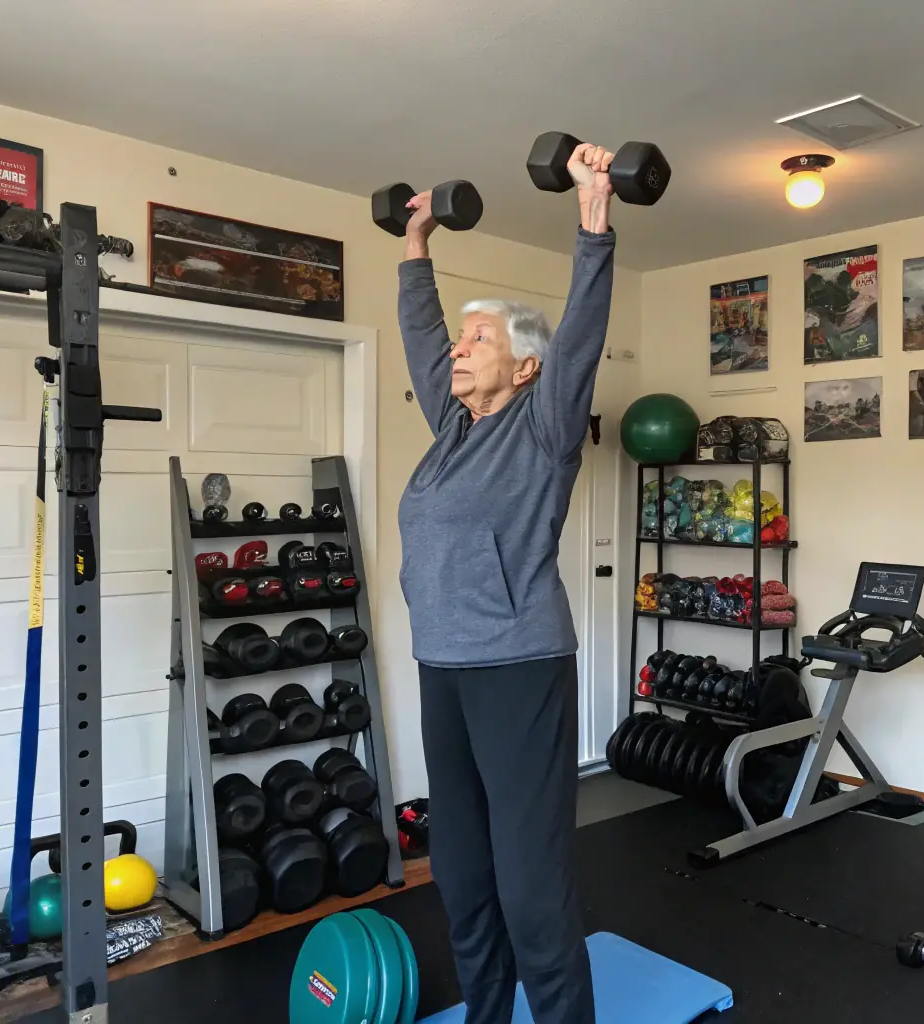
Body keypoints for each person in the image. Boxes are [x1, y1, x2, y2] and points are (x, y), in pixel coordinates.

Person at [395, 143, 616, 1024]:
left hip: (518, 666)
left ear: (525, 367)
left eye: (479, 338)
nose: (459, 347)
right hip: (440, 666)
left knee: (530, 884)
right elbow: (422, 337)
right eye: (463, 335)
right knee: (462, 872)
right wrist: (416, 247)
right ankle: (486, 1014)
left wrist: (592, 217)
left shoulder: (542, 430)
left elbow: (583, 338)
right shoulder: (450, 430)